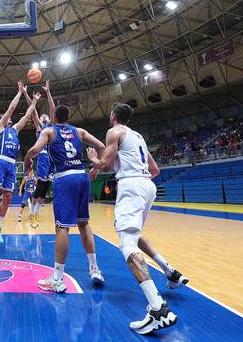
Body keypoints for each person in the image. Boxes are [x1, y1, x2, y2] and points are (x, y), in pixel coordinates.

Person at [86, 103, 187, 334]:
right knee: (134, 235)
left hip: (131, 185)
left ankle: (158, 308)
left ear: (113, 116)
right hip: (147, 185)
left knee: (127, 244)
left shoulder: (114, 131)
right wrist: (136, 179)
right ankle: (170, 272)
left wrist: (94, 160)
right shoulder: (137, 136)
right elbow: (155, 170)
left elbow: (106, 163)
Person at [24, 105, 106, 292]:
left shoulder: (49, 131)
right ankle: (95, 270)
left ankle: (57, 279)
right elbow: (101, 146)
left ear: (53, 116)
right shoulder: (79, 131)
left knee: (62, 228)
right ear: (68, 117)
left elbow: (34, 150)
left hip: (64, 178)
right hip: (82, 176)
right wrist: (96, 167)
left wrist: (28, 159)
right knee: (83, 224)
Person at [0, 82, 41, 243]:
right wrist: (20, 92)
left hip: (11, 164)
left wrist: (34, 101)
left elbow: (28, 115)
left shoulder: (15, 131)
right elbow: (11, 109)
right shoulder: (1, 128)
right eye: (6, 118)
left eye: (9, 119)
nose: (9, 119)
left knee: (7, 196)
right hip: (0, 161)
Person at [24, 80, 56, 228]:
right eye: (43, 117)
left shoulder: (52, 126)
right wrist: (28, 96)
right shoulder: (39, 129)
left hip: (54, 158)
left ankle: (35, 212)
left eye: (46, 116)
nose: (44, 117)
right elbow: (34, 113)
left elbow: (52, 108)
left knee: (46, 188)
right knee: (41, 185)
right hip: (43, 157)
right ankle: (32, 212)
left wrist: (48, 92)